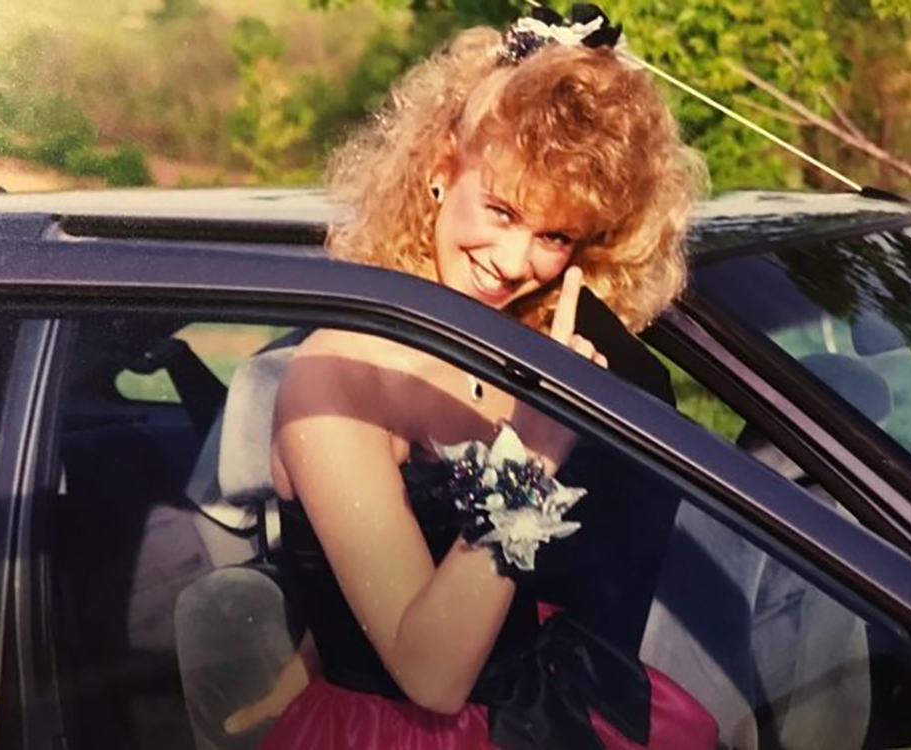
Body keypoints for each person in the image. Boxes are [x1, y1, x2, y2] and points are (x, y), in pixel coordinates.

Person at [178, 6, 709, 749]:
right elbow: (431, 676)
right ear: (439, 171)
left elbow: (355, 571)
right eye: (500, 208)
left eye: (553, 235)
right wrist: (531, 456)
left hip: (539, 700)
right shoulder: (339, 377)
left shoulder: (508, 341)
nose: (515, 260)